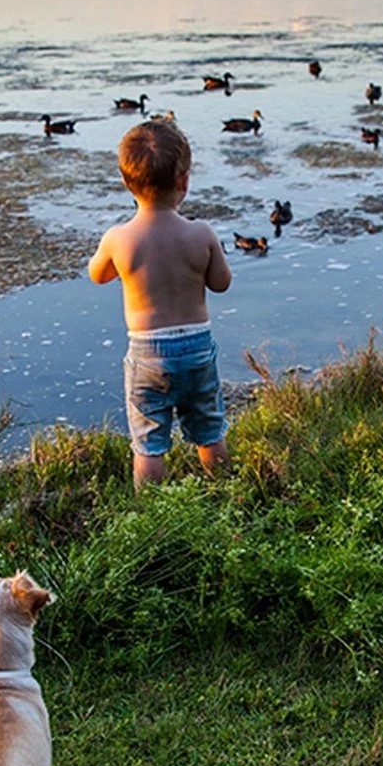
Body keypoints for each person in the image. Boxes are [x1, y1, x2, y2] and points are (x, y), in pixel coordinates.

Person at [89, 120, 233, 490]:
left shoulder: (119, 239)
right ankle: (223, 490)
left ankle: (149, 515)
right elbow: (221, 283)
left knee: (149, 443)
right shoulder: (201, 233)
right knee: (209, 430)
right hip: (197, 348)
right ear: (184, 180)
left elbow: (97, 275)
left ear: (125, 182)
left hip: (147, 354)